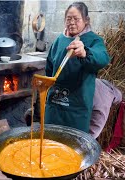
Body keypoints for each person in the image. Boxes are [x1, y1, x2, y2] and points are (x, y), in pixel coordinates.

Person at [44, 2, 110, 133]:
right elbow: (50, 68)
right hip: (54, 104)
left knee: (74, 143)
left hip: (77, 106)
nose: (72, 22)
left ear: (86, 20)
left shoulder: (93, 40)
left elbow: (103, 58)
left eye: (76, 19)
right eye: (69, 18)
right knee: (50, 140)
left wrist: (85, 52)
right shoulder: (59, 40)